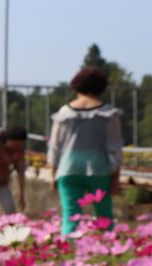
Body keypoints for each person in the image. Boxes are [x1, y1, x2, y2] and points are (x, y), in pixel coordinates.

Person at [48, 66, 123, 236]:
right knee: (104, 215)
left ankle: (69, 253)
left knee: (71, 216)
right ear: (101, 87)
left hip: (68, 169)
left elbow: (55, 146)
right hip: (100, 169)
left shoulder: (65, 112)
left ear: (76, 86)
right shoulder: (108, 112)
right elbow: (115, 147)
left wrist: (53, 173)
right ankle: (106, 249)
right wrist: (116, 176)